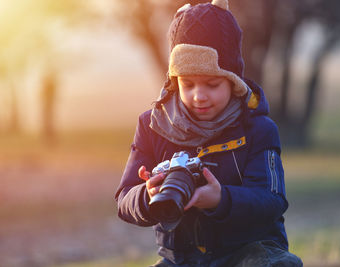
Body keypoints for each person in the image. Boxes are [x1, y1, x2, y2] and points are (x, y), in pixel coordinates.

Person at [115, 0, 303, 266]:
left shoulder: (258, 129)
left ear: (233, 81)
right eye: (187, 84)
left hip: (248, 251)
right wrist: (147, 195)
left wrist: (221, 200)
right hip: (181, 259)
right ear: (173, 80)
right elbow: (124, 199)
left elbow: (271, 200)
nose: (199, 96)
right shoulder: (153, 126)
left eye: (212, 84)